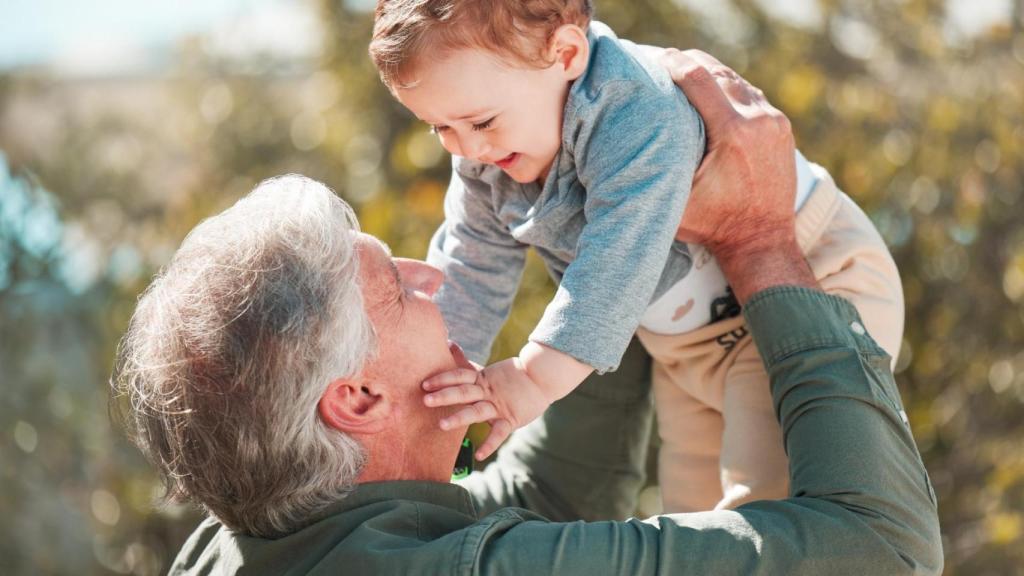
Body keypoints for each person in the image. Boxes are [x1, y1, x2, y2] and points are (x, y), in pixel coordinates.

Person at [111, 51, 942, 574]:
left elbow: (549, 493)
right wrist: (759, 239)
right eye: (399, 288)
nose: (433, 278)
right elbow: (884, 553)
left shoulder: (244, 546)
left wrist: (626, 208)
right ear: (355, 400)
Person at [368, 0, 905, 512]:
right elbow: (468, 267)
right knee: (694, 513)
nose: (469, 149)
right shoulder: (487, 157)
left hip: (808, 276)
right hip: (688, 344)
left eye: (481, 122)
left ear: (566, 55)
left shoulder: (634, 107)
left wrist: (532, 379)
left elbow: (617, 258)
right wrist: (440, 393)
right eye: (441, 128)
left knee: (764, 501)